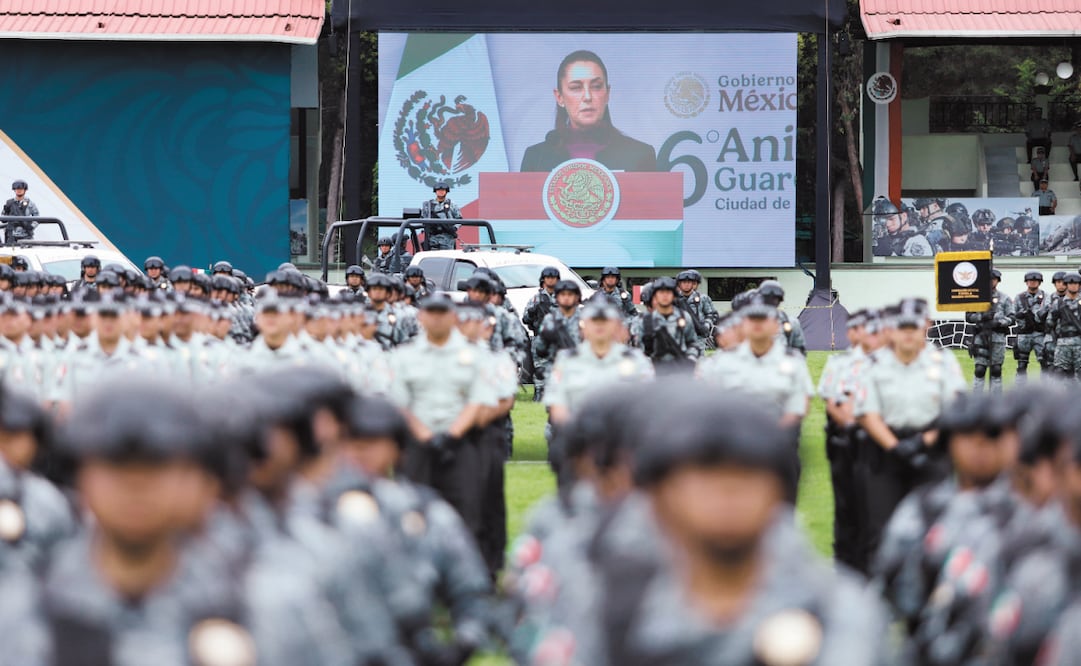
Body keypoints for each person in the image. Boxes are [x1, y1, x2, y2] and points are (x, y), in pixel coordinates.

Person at [852, 298, 967, 565]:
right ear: (891, 330)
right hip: (883, 450)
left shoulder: (943, 362)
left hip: (931, 450)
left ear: (924, 328)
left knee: (936, 530)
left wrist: (921, 442)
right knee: (879, 529)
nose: (907, 333)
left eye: (913, 327)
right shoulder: (873, 364)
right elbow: (867, 412)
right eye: (901, 327)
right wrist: (895, 447)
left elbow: (952, 409)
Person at [388, 293, 498, 543]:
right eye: (431, 313)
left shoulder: (475, 357)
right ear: (421, 316)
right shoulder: (403, 356)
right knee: (413, 515)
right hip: (418, 446)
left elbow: (477, 400)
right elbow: (400, 404)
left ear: (453, 317)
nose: (437, 319)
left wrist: (451, 436)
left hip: (460, 444)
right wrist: (426, 437)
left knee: (465, 516)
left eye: (442, 313)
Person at [520, 49, 656, 172]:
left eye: (596, 86)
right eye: (576, 88)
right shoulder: (536, 157)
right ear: (559, 97)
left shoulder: (640, 154)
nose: (587, 96)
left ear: (607, 93)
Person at [965, 268, 1014, 392]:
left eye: (994, 279)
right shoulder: (976, 296)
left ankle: (996, 400)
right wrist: (982, 317)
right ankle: (977, 399)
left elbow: (1012, 317)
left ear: (998, 281)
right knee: (980, 369)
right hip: (981, 337)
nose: (991, 282)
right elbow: (968, 316)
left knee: (996, 370)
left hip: (997, 337)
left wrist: (999, 322)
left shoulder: (1005, 298)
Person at [639, 277, 702, 373]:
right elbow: (637, 349)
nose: (665, 296)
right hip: (653, 370)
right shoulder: (644, 320)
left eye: (668, 292)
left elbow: (692, 343)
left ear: (674, 296)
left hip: (680, 368)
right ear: (655, 296)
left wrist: (691, 359)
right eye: (661, 292)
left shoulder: (684, 317)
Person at [523, 266, 561, 401]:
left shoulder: (563, 297)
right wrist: (532, 311)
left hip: (558, 338)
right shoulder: (536, 298)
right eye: (548, 278)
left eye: (553, 278)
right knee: (539, 368)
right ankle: (539, 392)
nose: (551, 280)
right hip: (541, 337)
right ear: (543, 280)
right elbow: (525, 319)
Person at [1045, 272, 1081, 378]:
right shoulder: (1058, 303)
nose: (1073, 285)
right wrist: (1055, 315)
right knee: (1060, 374)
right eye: (1070, 283)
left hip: (1079, 342)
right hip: (1063, 342)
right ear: (1066, 285)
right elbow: (1049, 323)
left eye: (1076, 283)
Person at [1014, 271, 1048, 379]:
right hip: (1024, 334)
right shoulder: (1019, 297)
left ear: (1039, 282)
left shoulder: (1046, 297)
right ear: (1026, 282)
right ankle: (1020, 388)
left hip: (1040, 333)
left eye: (1035, 281)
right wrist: (1021, 318)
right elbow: (1013, 314)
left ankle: (1046, 388)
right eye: (1030, 281)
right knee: (1022, 364)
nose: (1033, 283)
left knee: (1044, 363)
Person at [420, 182, 461, 250]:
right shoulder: (429, 205)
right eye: (438, 190)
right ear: (435, 192)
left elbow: (459, 219)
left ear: (446, 191)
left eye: (443, 190)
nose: (441, 192)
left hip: (447, 238)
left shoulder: (452, 204)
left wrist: (454, 228)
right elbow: (423, 218)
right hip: (432, 237)